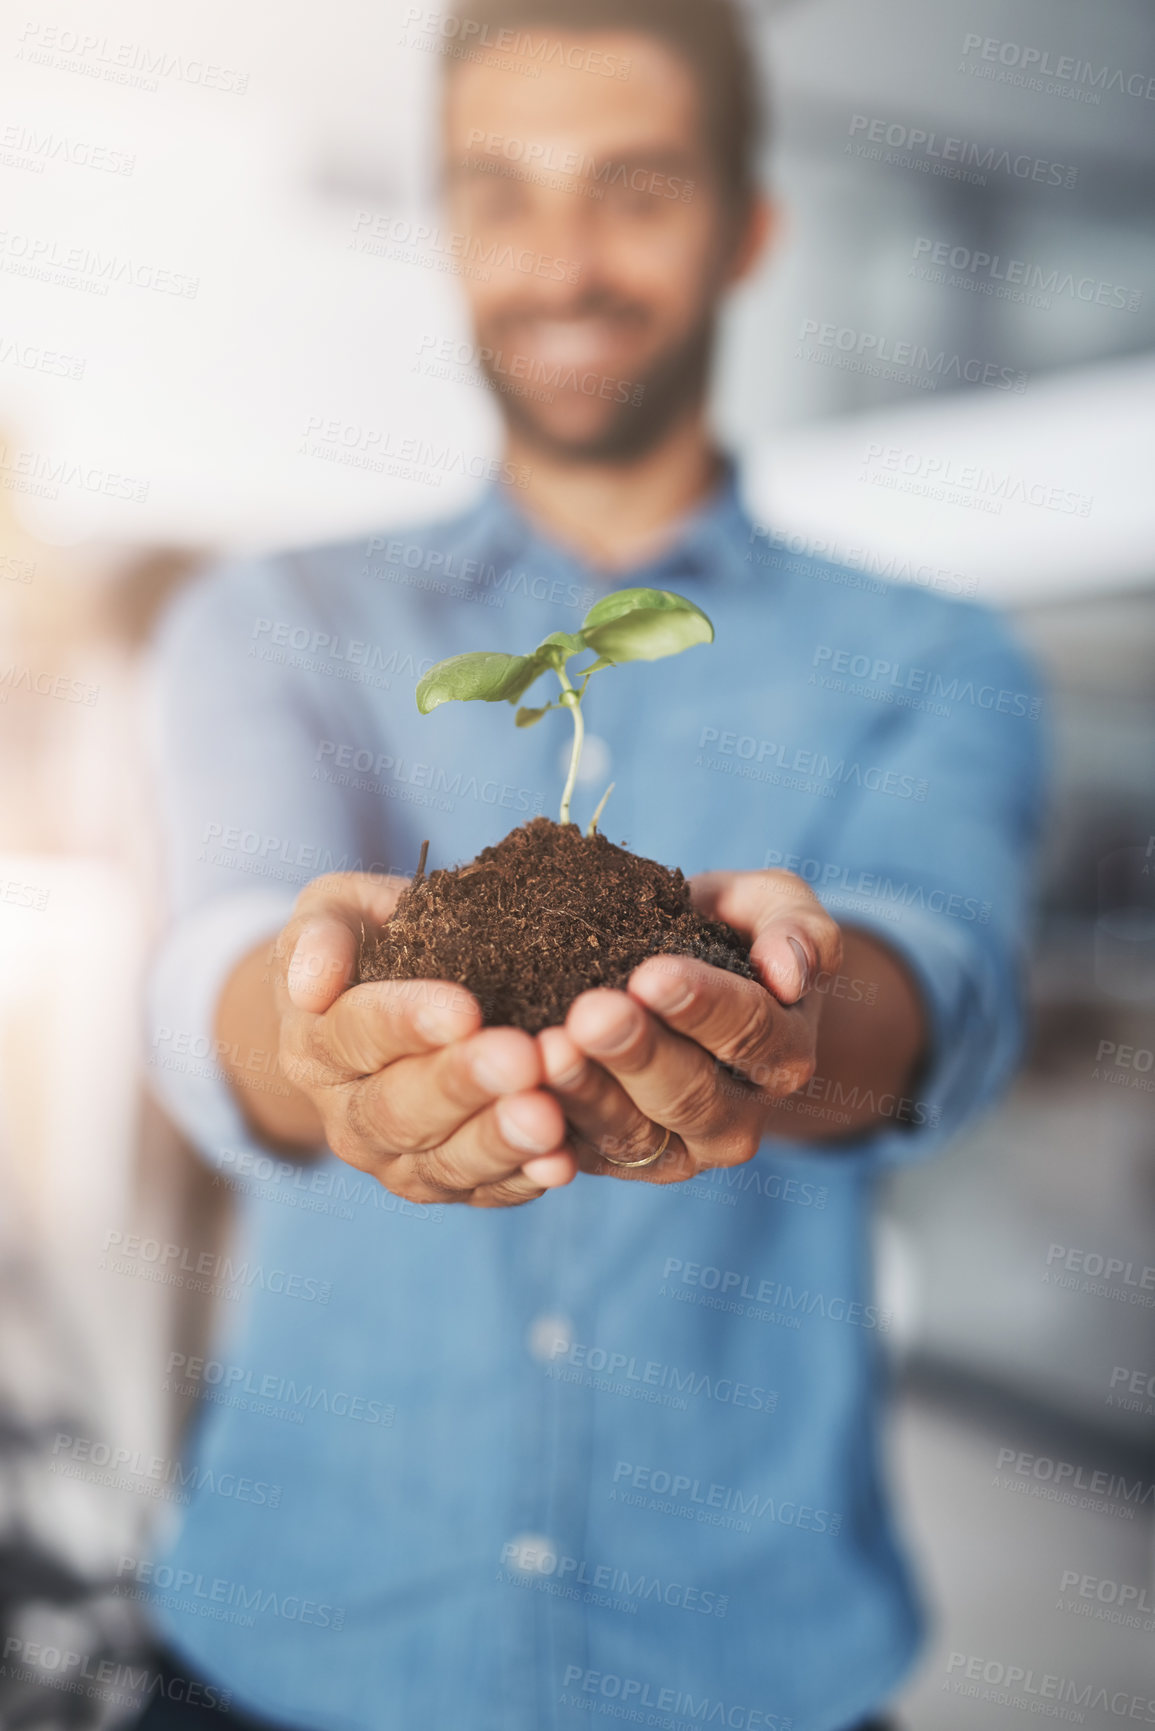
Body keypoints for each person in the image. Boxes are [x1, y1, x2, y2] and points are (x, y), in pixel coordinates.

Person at [139, 0, 1045, 1725]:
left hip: (749, 1664)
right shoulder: (275, 621)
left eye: (631, 189)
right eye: (504, 194)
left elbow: (943, 987)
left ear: (747, 229)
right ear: (450, 231)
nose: (561, 261)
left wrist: (793, 1003)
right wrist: (324, 1036)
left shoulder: (933, 654)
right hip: (296, 1640)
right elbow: (229, 953)